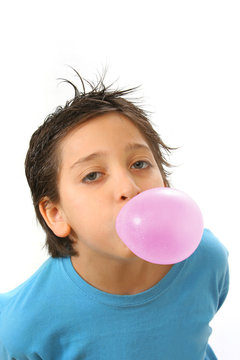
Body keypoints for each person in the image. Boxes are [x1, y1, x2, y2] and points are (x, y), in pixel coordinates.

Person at [0, 69, 229, 359]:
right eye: (93, 175)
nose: (129, 187)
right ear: (56, 213)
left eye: (140, 164)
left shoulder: (205, 258)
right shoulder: (22, 324)